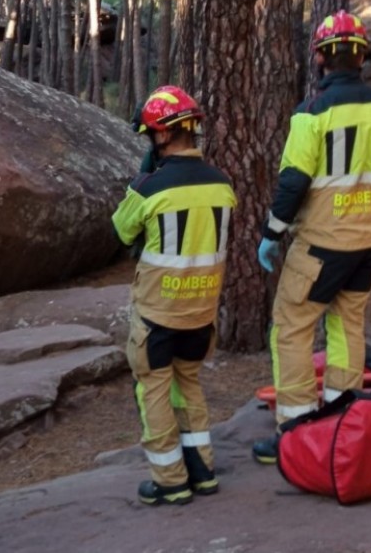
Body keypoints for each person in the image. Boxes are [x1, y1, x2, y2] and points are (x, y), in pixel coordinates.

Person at [252, 11, 371, 463]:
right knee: (346, 325)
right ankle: (343, 420)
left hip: (321, 244)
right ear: (362, 57)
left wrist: (271, 234)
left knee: (292, 329)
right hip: (369, 243)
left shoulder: (311, 114)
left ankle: (296, 433)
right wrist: (369, 207)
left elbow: (292, 183)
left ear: (320, 58)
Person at [112, 86, 237, 505]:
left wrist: (143, 178)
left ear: (162, 136)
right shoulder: (223, 186)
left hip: (157, 315)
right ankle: (201, 470)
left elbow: (122, 231)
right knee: (190, 385)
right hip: (201, 314)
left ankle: (169, 479)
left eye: (150, 135)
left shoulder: (149, 189)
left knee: (154, 390)